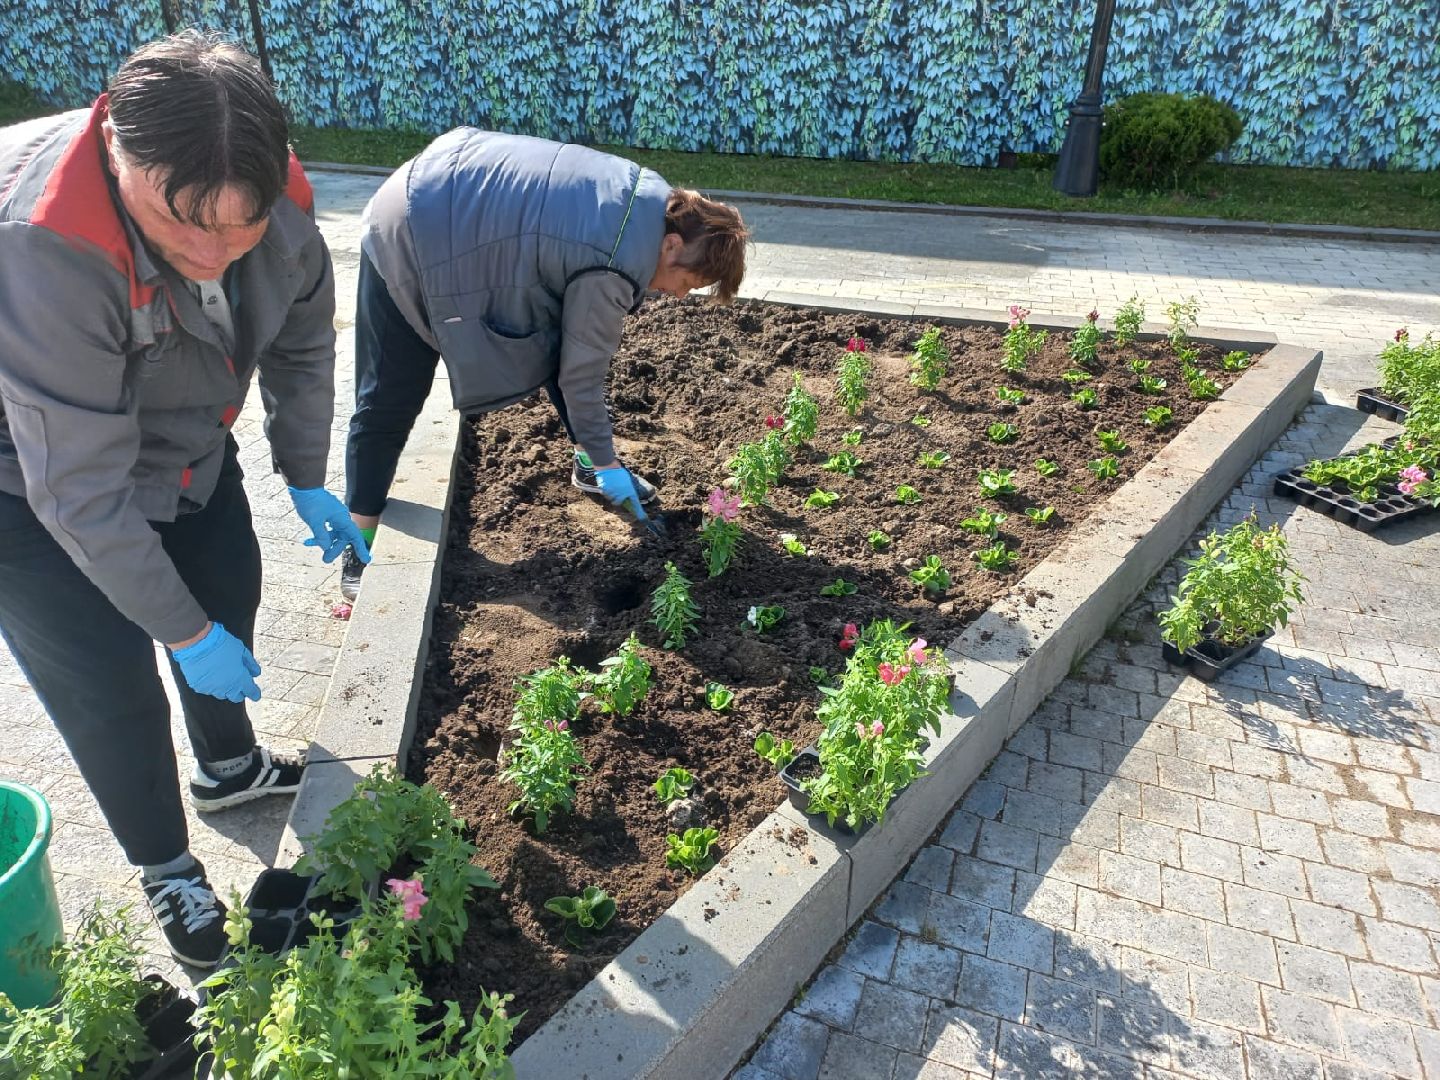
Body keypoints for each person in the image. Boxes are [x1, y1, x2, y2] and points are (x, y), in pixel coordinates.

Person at [0, 31, 369, 968]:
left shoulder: (269, 192)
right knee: (109, 682)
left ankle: (227, 769)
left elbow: (299, 337)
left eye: (235, 228)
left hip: (185, 437)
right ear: (121, 153)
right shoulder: (46, 242)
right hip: (25, 474)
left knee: (226, 588)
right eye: (184, 223)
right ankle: (166, 866)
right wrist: (179, 631)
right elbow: (79, 492)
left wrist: (303, 469)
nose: (212, 252)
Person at [339, 128, 749, 599]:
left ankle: (590, 466)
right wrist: (609, 458)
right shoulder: (615, 261)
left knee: (557, 344)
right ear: (673, 246)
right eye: (687, 282)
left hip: (449, 196)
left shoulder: (649, 199)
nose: (678, 295)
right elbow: (581, 375)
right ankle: (358, 541)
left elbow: (570, 348)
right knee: (388, 399)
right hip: (412, 230)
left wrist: (601, 456)